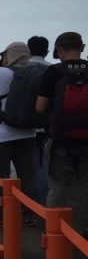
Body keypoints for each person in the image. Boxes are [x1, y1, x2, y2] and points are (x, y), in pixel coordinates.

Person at [0, 42, 36, 223]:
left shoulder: (1, 72)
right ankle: (29, 215)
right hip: (27, 132)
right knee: (27, 175)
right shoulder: (34, 71)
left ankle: (3, 213)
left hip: (0, 134)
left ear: (9, 56)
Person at [36, 30, 88, 235]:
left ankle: (55, 233)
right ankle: (83, 232)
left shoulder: (54, 72)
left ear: (58, 49)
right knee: (85, 186)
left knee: (58, 186)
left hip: (61, 139)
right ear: (82, 48)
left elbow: (40, 107)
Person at [27, 35, 51, 206]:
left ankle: (35, 207)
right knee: (47, 169)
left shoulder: (22, 70)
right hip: (51, 128)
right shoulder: (53, 69)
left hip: (25, 128)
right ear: (48, 51)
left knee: (31, 170)